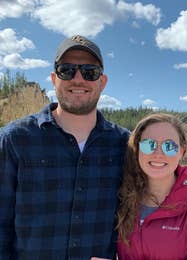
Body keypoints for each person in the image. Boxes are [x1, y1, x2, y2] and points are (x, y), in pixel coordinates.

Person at [0, 35, 130, 259]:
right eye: (67, 70)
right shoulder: (15, 139)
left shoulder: (124, 144)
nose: (78, 79)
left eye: (90, 72)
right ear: (53, 78)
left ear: (102, 81)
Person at [115, 113, 187, 259]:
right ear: (138, 149)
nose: (158, 154)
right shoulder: (124, 194)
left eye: (169, 146)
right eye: (149, 144)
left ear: (181, 152)